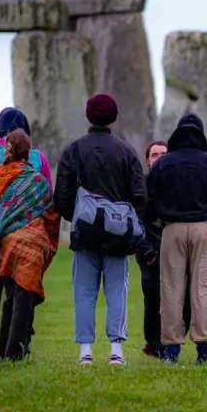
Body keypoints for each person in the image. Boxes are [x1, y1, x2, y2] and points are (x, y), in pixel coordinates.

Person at [55, 93, 146, 366]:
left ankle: (85, 351)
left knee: (83, 291)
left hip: (85, 232)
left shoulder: (74, 150)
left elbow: (62, 194)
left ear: (88, 115)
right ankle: (116, 350)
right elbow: (140, 194)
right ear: (114, 117)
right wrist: (128, 218)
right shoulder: (126, 151)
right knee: (117, 289)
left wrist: (78, 216)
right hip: (118, 232)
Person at [146, 113, 207, 364]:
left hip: (172, 229)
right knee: (202, 290)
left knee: (171, 289)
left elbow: (148, 199)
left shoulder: (164, 163)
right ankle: (204, 352)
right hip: (203, 228)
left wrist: (158, 220)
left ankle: (172, 351)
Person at [0, 107, 53, 361]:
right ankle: (19, 346)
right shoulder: (39, 160)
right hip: (29, 238)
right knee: (23, 291)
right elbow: (46, 200)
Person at [136, 140, 191, 358]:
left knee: (185, 296)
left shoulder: (181, 184)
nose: (159, 158)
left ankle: (176, 335)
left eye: (163, 154)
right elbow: (135, 220)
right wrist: (145, 250)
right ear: (148, 161)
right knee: (152, 296)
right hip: (150, 247)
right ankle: (154, 343)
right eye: (154, 155)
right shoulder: (141, 186)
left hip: (177, 247)